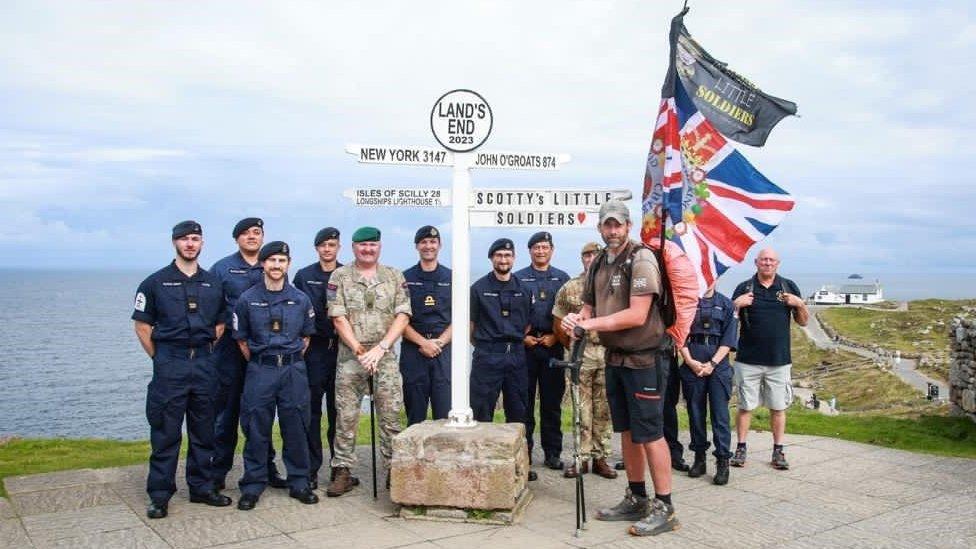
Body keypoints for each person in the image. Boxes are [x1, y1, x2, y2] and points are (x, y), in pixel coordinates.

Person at [562, 199, 679, 537]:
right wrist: (576, 319)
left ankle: (666, 507)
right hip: (616, 358)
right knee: (627, 431)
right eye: (606, 225)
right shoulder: (599, 261)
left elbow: (637, 315)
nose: (612, 231)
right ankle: (637, 497)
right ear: (599, 227)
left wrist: (591, 322)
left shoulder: (640, 258)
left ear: (628, 226)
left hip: (646, 358)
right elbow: (587, 309)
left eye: (618, 225)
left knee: (651, 433)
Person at [132, 220, 232, 519]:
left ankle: (202, 488)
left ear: (202, 243)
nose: (190, 244)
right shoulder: (155, 283)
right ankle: (160, 495)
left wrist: (201, 353)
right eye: (185, 239)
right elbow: (142, 326)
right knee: (166, 433)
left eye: (196, 239)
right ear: (175, 242)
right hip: (170, 364)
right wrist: (162, 359)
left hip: (204, 363)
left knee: (204, 431)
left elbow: (220, 323)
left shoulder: (213, 282)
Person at [233, 241, 319, 510]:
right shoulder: (247, 299)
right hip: (261, 369)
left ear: (288, 264)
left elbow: (305, 338)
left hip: (293, 370)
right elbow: (242, 341)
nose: (276, 266)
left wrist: (287, 360)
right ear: (263, 264)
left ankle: (299, 482)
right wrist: (265, 361)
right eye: (271, 261)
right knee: (257, 428)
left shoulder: (301, 299)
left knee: (296, 426)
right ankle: (253, 484)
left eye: (282, 261)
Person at [326, 226, 411, 497]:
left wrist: (382, 348)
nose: (367, 249)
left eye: (372, 245)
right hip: (352, 356)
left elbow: (403, 315)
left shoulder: (394, 276)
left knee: (390, 415)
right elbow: (338, 317)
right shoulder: (339, 276)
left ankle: (393, 470)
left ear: (379, 247)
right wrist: (361, 351)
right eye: (362, 246)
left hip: (384, 357)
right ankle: (342, 470)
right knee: (346, 416)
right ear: (353, 248)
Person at [211, 217, 284, 490]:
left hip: (263, 351)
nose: (252, 237)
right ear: (237, 239)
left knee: (259, 414)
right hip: (230, 351)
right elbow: (214, 309)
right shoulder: (222, 269)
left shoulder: (272, 265)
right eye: (246, 233)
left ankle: (266, 468)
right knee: (226, 416)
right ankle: (217, 472)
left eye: (257, 232)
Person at [730, 248, 808, 470]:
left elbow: (802, 322)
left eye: (771, 260)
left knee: (778, 407)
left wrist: (799, 303)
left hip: (779, 361)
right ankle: (741, 448)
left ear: (778, 263)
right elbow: (729, 321)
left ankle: (778, 450)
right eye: (763, 259)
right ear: (756, 263)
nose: (767, 263)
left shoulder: (788, 287)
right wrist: (736, 304)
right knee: (745, 406)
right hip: (747, 360)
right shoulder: (744, 288)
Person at [470, 238, 538, 482]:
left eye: (507, 255)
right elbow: (471, 326)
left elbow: (528, 323)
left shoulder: (524, 289)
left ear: (514, 258)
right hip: (488, 355)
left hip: (517, 356)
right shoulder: (478, 289)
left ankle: (521, 463)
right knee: (481, 411)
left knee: (519, 411)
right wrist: (488, 346)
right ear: (491, 258)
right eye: (498, 255)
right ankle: (481, 462)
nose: (503, 260)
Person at [552, 242, 617, 479]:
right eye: (586, 255)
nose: (591, 258)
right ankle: (581, 458)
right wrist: (570, 343)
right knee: (581, 408)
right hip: (582, 352)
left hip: (608, 351)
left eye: (595, 255)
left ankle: (600, 457)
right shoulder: (570, 287)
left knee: (604, 408)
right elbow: (558, 322)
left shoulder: (614, 285)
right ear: (582, 259)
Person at [292, 227, 343, 490]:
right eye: (323, 245)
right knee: (311, 412)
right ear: (317, 248)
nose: (327, 249)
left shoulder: (347, 273)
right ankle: (310, 469)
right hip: (314, 351)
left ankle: (339, 468)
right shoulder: (304, 276)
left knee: (340, 413)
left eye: (332, 244)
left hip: (342, 350)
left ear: (338, 248)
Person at [516, 231, 570, 470]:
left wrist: (555, 337)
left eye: (545, 247)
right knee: (524, 405)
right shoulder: (518, 279)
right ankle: (524, 453)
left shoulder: (562, 279)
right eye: (536, 247)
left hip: (552, 348)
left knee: (551, 404)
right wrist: (522, 337)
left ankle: (552, 453)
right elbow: (512, 315)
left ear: (551, 250)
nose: (540, 251)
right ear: (530, 251)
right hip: (525, 349)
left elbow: (569, 316)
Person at [678, 284, 737, 485]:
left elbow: (729, 340)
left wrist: (712, 364)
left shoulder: (726, 304)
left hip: (718, 364)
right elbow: (679, 335)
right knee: (695, 413)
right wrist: (690, 361)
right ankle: (699, 458)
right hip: (692, 360)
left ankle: (722, 461)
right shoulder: (687, 303)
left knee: (720, 415)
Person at [400, 225, 453, 425]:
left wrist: (439, 343)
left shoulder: (452, 277)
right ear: (417, 246)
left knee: (445, 415)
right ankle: (414, 457)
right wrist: (423, 342)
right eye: (423, 242)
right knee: (415, 414)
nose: (428, 246)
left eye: (432, 242)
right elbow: (399, 318)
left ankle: (443, 457)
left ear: (439, 245)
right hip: (414, 351)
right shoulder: (404, 278)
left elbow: (460, 317)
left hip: (443, 350)